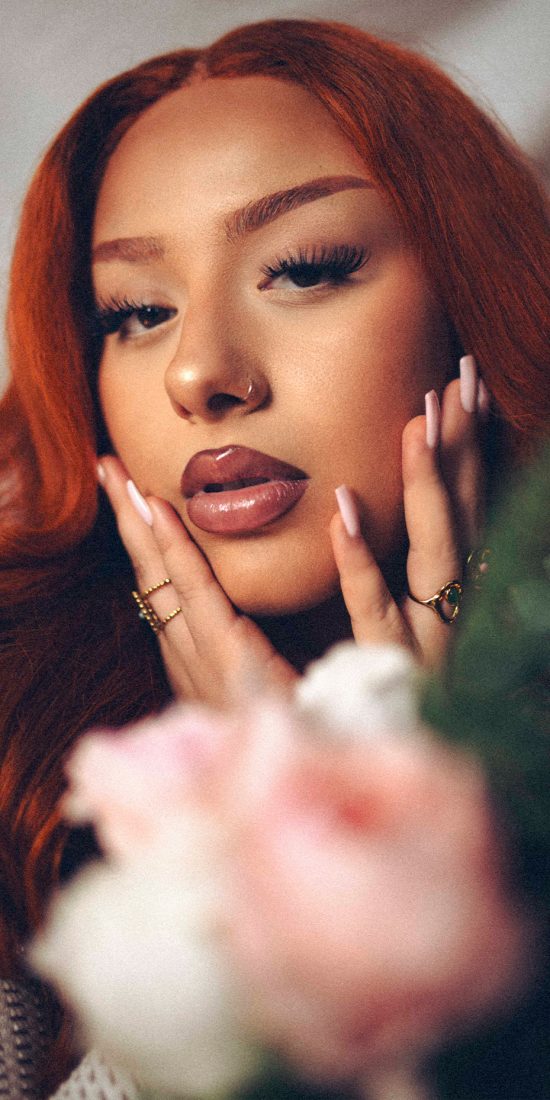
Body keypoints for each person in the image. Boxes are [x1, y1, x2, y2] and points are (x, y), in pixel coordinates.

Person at [0, 16, 547, 1098]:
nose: (198, 372)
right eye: (137, 312)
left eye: (303, 269)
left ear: (470, 298)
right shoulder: (19, 757)